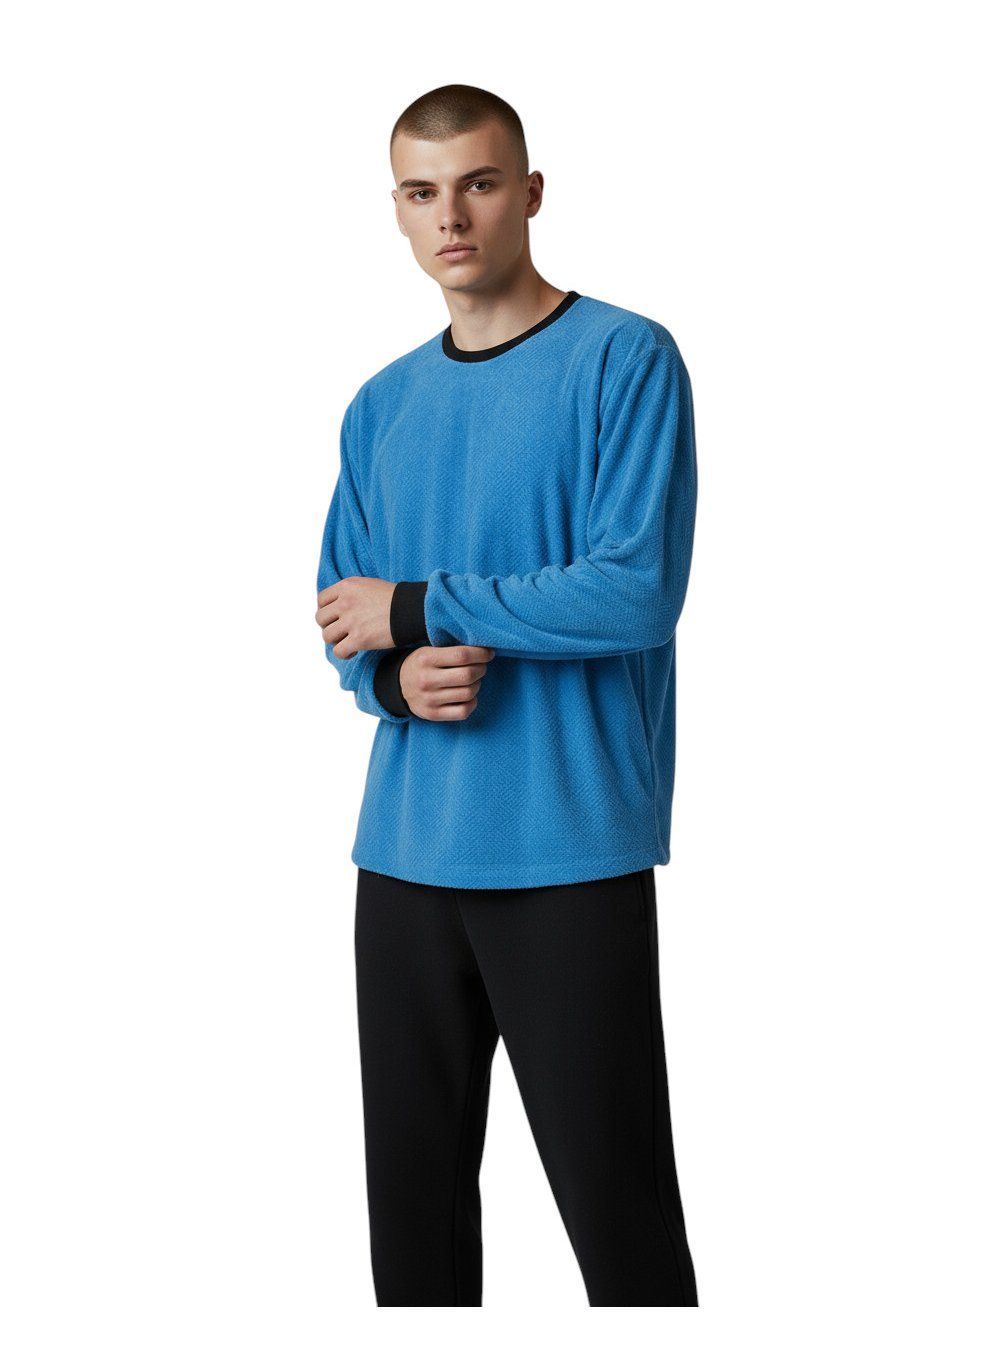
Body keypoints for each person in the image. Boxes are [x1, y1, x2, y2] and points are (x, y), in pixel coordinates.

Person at [315, 83, 699, 1307]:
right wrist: (390, 677)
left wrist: (422, 608)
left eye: (479, 185)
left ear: (528, 193)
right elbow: (345, 614)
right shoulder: (381, 405)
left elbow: (632, 592)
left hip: (566, 851)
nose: (452, 217)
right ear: (397, 210)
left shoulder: (623, 359)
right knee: (412, 1242)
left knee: (621, 1227)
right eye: (422, 193)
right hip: (403, 858)